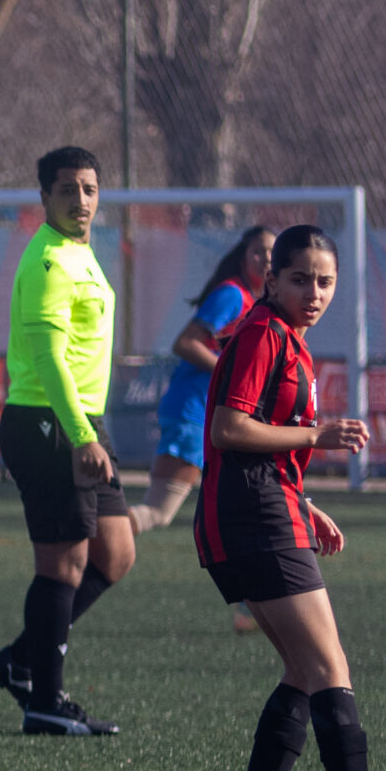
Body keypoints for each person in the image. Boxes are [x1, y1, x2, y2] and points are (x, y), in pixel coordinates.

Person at [198, 224, 386, 771]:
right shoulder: (265, 333)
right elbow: (229, 430)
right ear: (271, 280)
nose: (313, 292)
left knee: (304, 668)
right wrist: (316, 438)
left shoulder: (287, 339)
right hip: (254, 521)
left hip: (263, 513)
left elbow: (260, 445)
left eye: (325, 282)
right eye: (300, 279)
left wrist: (305, 503)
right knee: (330, 668)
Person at [0, 146, 132, 736]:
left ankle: (23, 658)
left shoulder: (82, 254)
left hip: (82, 424)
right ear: (44, 197)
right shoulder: (47, 260)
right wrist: (78, 435)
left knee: (114, 555)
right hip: (50, 425)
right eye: (67, 189)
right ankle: (46, 700)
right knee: (64, 566)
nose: (81, 200)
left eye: (89, 188)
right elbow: (46, 357)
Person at [135, 225, 275, 634]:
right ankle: (98, 538)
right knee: (160, 512)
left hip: (212, 418)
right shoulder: (233, 295)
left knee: (246, 512)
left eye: (273, 253)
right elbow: (186, 343)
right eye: (258, 252)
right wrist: (231, 376)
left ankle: (255, 609)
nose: (266, 260)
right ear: (243, 256)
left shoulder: (255, 303)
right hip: (197, 416)